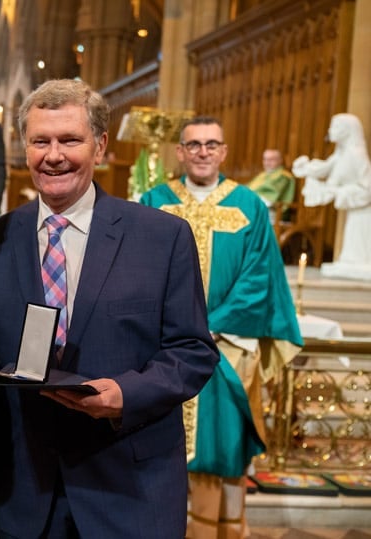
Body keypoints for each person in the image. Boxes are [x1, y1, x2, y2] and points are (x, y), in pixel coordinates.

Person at [0, 79, 219, 538]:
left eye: (69, 140)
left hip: (128, 486)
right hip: (24, 491)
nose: (53, 155)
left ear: (99, 145)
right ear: (25, 148)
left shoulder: (161, 237)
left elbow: (192, 351)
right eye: (40, 141)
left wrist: (126, 395)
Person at [141, 116, 302, 538]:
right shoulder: (153, 200)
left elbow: (260, 276)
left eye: (212, 144)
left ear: (224, 151)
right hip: (163, 347)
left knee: (222, 448)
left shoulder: (248, 205)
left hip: (225, 348)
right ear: (179, 152)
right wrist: (175, 326)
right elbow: (137, 268)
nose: (203, 152)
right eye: (193, 144)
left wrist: (209, 326)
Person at [293, 112, 371, 280]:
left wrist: (337, 192)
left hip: (364, 213)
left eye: (335, 126)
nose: (330, 130)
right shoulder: (341, 153)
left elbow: (367, 188)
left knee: (358, 246)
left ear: (347, 131)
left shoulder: (356, 154)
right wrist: (305, 168)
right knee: (351, 246)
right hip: (355, 211)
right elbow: (324, 169)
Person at [247, 148, 296, 221]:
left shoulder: (283, 176)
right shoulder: (262, 175)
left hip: (272, 211)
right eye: (265, 159)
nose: (267, 163)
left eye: (271, 160)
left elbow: (271, 195)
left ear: (280, 160)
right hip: (255, 207)